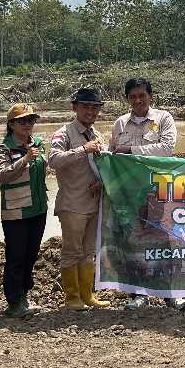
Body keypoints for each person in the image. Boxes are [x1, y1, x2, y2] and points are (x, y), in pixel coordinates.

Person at [110, 77, 185, 311]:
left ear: (150, 96)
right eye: (132, 97)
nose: (138, 100)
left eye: (142, 95)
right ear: (127, 99)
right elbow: (112, 155)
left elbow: (166, 149)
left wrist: (130, 150)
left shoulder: (163, 118)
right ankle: (138, 294)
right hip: (128, 193)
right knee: (132, 242)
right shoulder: (120, 124)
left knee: (162, 240)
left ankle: (168, 293)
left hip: (156, 191)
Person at [50, 88, 110, 311]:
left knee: (88, 252)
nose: (91, 112)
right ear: (74, 108)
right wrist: (83, 149)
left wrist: (101, 181)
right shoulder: (63, 134)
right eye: (86, 107)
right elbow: (54, 160)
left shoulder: (98, 135)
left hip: (94, 202)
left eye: (95, 108)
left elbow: (103, 165)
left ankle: (88, 295)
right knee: (71, 251)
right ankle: (71, 297)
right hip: (73, 203)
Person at [0, 103, 48, 318]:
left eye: (31, 120)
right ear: (11, 124)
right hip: (16, 212)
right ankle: (14, 301)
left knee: (31, 256)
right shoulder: (4, 149)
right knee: (16, 257)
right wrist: (25, 159)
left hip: (38, 209)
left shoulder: (38, 144)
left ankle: (24, 296)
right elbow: (3, 175)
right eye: (22, 121)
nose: (27, 124)